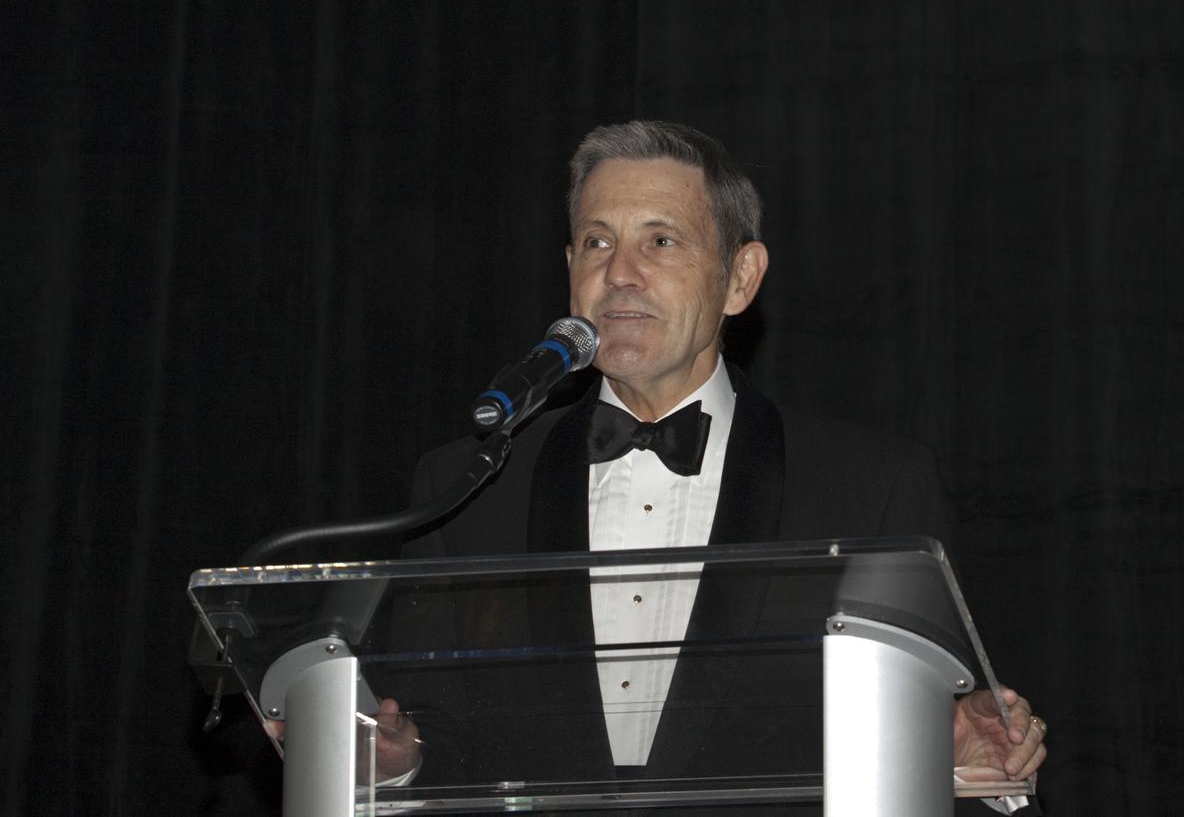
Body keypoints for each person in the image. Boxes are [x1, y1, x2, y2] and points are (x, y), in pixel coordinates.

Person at [387, 121, 1047, 813]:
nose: (618, 273)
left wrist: (966, 771)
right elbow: (437, 742)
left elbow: (928, 752)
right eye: (597, 241)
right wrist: (393, 761)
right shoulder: (467, 486)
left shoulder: (872, 486)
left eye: (660, 241)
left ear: (740, 278)